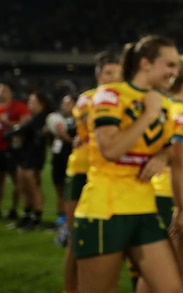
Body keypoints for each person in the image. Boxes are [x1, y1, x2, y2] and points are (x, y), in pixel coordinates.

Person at [72, 35, 183, 293]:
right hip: (105, 210)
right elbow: (110, 149)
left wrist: (162, 157)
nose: (174, 72)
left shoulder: (164, 103)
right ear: (145, 63)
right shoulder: (108, 95)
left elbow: (169, 149)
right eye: (169, 65)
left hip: (144, 208)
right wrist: (148, 114)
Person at [141, 56, 183, 293]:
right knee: (174, 271)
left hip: (164, 194)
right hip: (176, 196)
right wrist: (181, 208)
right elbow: (179, 163)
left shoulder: (168, 109)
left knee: (164, 270)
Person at [63, 50, 122, 292]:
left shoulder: (122, 100)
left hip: (109, 174)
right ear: (98, 75)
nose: (113, 78)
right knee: (76, 239)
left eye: (118, 74)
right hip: (82, 170)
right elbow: (93, 124)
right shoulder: (87, 99)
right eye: (109, 73)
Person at [4, 90, 51, 231]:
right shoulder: (33, 118)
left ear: (42, 104)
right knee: (25, 187)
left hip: (34, 157)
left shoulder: (42, 119)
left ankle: (36, 218)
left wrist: (11, 133)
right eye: (29, 101)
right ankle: (27, 215)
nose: (30, 104)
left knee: (33, 187)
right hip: (25, 155)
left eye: (34, 102)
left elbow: (26, 132)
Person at [0, 80, 30, 221]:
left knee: (17, 181)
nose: (1, 92)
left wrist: (8, 123)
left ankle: (14, 209)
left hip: (13, 150)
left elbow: (25, 126)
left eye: (4, 90)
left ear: (11, 92)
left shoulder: (19, 107)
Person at [47, 94, 75, 234]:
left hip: (70, 159)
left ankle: (68, 220)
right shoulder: (59, 119)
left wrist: (65, 137)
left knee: (68, 191)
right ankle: (60, 218)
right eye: (63, 104)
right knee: (59, 188)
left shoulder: (78, 122)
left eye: (68, 103)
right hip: (57, 158)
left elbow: (76, 142)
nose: (65, 106)